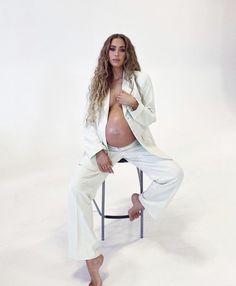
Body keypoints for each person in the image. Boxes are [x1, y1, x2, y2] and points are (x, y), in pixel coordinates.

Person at [67, 33, 184, 286]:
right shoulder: (98, 83)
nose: (117, 54)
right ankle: (92, 257)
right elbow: (88, 122)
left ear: (128, 53)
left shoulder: (140, 80)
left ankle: (140, 201)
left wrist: (134, 104)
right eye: (112, 49)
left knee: (174, 173)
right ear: (106, 53)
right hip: (105, 150)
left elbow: (150, 117)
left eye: (121, 49)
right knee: (77, 189)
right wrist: (98, 151)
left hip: (136, 146)